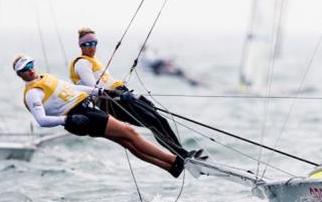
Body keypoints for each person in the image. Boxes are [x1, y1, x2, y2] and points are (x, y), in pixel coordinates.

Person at [14, 54, 187, 178]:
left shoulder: (46, 77)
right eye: (24, 70)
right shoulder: (32, 93)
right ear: (19, 74)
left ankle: (170, 168)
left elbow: (74, 89)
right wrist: (66, 119)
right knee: (130, 133)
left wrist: (105, 92)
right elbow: (41, 121)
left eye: (30, 66)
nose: (29, 71)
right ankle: (175, 160)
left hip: (84, 111)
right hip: (80, 116)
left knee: (127, 142)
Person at [68, 28, 206, 160]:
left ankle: (183, 153)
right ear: (81, 46)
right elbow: (93, 89)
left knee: (160, 120)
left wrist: (127, 93)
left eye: (94, 43)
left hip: (122, 95)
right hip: (113, 101)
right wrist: (118, 94)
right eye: (87, 44)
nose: (92, 47)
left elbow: (107, 82)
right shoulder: (81, 63)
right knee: (152, 122)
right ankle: (182, 155)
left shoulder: (93, 61)